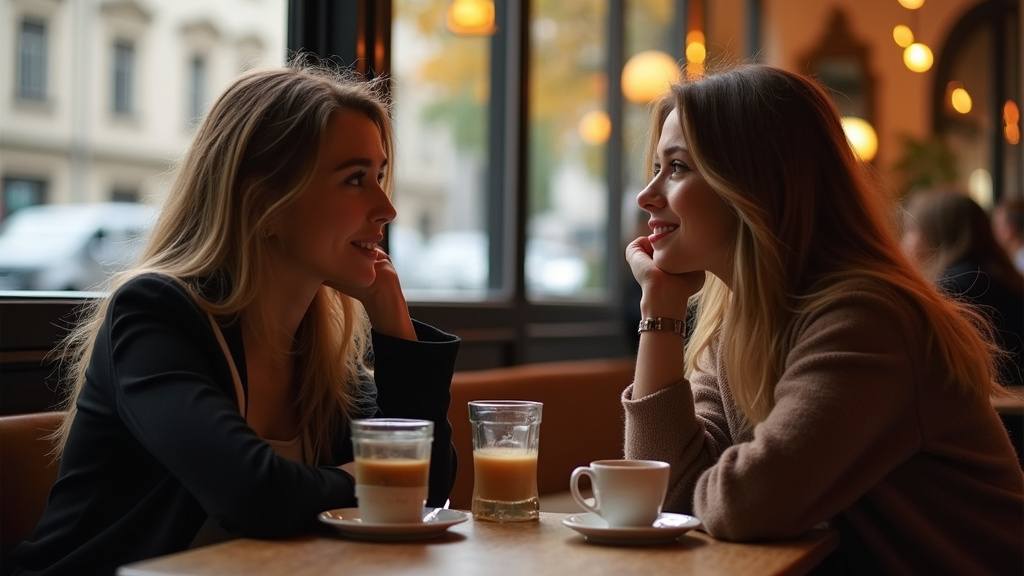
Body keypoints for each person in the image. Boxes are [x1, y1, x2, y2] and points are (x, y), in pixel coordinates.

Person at [12, 58, 460, 575]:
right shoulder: (156, 314)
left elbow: (427, 488)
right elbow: (255, 492)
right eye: (355, 179)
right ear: (264, 200)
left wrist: (392, 323)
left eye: (379, 176)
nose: (388, 208)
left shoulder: (317, 349)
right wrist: (386, 477)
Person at [622, 63, 1023, 575]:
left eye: (676, 167)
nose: (646, 194)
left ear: (756, 183)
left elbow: (746, 507)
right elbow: (662, 496)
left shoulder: (866, 318)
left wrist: (705, 489)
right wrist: (660, 309)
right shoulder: (736, 322)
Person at [901, 189, 1024, 385]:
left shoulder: (959, 287)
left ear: (936, 235)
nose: (904, 241)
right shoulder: (995, 275)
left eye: (911, 230)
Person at [992, 196, 1024, 274]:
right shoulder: (1013, 261)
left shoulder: (1019, 266)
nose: (993, 231)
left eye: (997, 225)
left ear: (1008, 231)